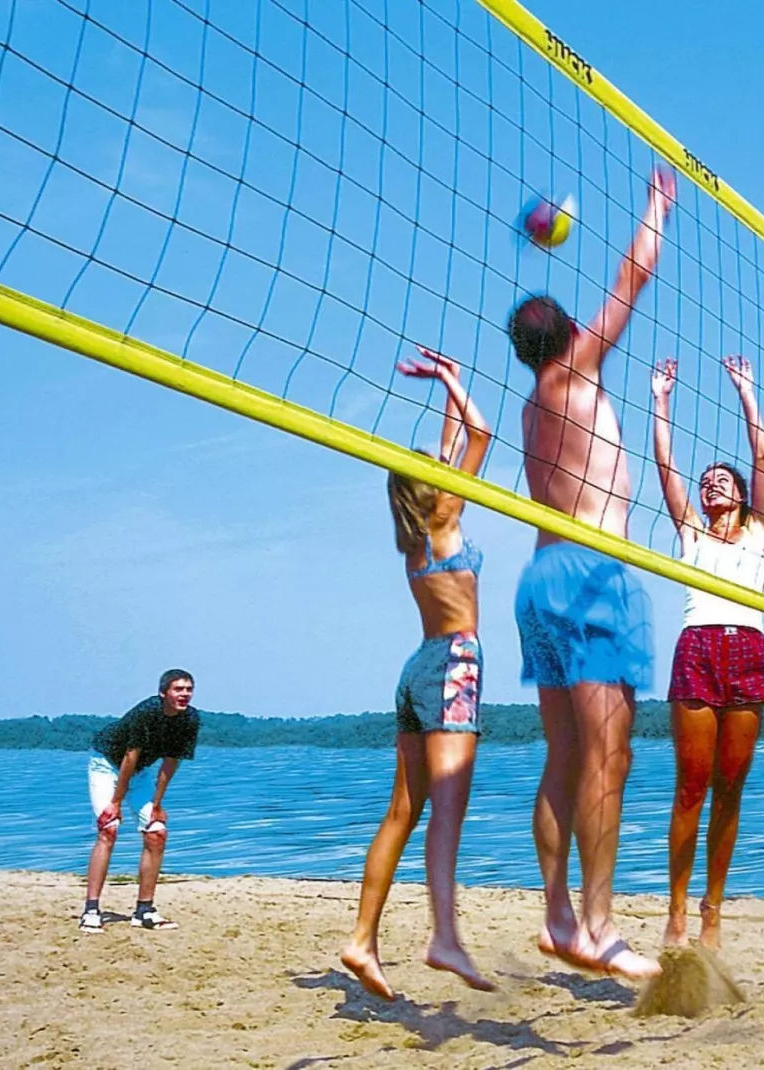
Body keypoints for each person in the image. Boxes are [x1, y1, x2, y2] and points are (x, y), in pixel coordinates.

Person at [509, 166, 677, 981]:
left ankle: (554, 917)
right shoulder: (575, 373)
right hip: (590, 577)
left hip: (539, 580)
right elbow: (632, 275)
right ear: (571, 335)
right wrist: (656, 205)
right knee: (610, 760)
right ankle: (599, 929)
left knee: (565, 757)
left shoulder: (530, 402)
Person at [340, 346, 495, 1000]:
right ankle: (444, 937)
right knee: (447, 813)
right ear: (428, 487)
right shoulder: (446, 516)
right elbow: (480, 433)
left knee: (403, 810)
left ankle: (362, 940)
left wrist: (440, 397)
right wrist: (453, 380)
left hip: (416, 667)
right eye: (435, 466)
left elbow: (453, 438)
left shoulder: (414, 534)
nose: (444, 461)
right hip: (455, 661)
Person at [650, 353, 764, 950]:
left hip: (748, 650)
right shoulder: (692, 533)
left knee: (731, 788)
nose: (711, 483)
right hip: (698, 648)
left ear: (742, 494)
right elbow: (665, 466)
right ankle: (675, 910)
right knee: (691, 787)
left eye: (721, 479)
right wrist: (661, 402)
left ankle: (711, 909)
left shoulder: (757, 532)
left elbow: (762, 457)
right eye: (707, 482)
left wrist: (746, 393)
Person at [80, 669, 202, 933]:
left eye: (188, 689)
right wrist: (116, 802)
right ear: (163, 693)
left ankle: (144, 909)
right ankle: (91, 909)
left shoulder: (190, 719)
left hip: (140, 772)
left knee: (157, 832)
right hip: (107, 764)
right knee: (108, 829)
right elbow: (130, 756)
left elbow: (170, 763)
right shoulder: (146, 712)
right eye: (178, 689)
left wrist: (157, 805)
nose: (184, 694)